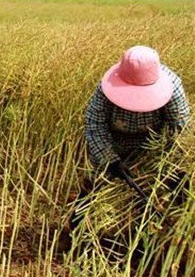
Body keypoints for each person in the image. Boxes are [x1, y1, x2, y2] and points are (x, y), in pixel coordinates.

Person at [71, 45, 191, 229]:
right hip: (114, 141)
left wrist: (171, 163)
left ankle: (168, 228)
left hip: (153, 144)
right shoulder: (106, 88)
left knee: (169, 185)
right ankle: (74, 230)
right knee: (95, 183)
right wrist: (109, 160)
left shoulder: (173, 87)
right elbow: (95, 125)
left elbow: (180, 129)